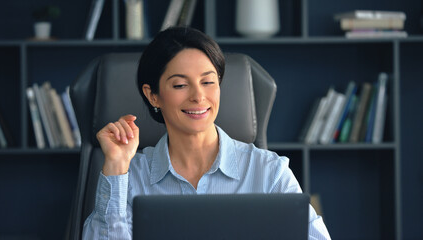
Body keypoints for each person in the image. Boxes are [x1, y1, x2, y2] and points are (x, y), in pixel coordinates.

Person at [82, 26, 331, 239]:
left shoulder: (269, 172)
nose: (198, 96)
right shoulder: (129, 177)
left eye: (208, 81)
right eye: (180, 85)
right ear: (152, 95)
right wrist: (115, 167)